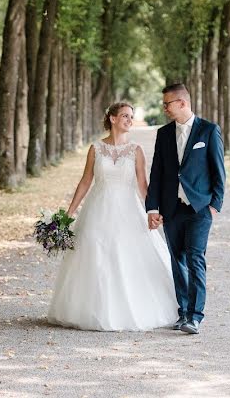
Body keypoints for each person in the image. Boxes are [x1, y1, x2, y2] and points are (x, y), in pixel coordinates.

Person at [47, 102, 178, 331]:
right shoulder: (95, 149)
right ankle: (94, 310)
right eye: (125, 116)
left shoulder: (135, 150)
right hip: (98, 209)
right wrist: (69, 213)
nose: (129, 120)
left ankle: (129, 309)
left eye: (131, 116)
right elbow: (86, 181)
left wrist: (153, 210)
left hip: (128, 210)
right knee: (96, 254)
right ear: (113, 119)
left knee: (128, 255)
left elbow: (143, 185)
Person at [146, 83, 225, 335]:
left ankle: (196, 316)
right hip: (171, 208)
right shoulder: (164, 134)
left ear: (182, 103)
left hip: (199, 208)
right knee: (177, 259)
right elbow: (157, 172)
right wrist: (152, 208)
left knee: (195, 258)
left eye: (167, 103)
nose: (165, 108)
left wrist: (214, 205)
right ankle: (183, 312)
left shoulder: (209, 131)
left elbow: (218, 172)